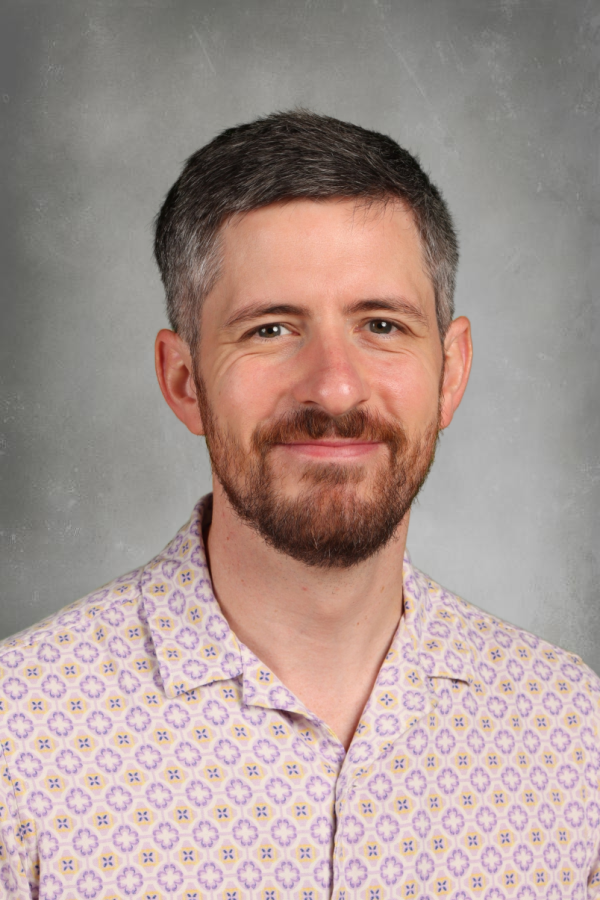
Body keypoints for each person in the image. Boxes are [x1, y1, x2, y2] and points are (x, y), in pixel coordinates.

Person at [1, 110, 598, 900]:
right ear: (185, 380)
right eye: (272, 328)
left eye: (381, 325)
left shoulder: (572, 732)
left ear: (450, 372)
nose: (335, 385)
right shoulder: (20, 738)